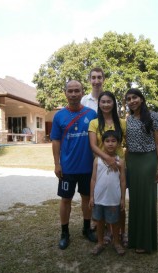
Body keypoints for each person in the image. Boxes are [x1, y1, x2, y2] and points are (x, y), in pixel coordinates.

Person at [50, 80, 97, 250]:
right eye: (70, 91)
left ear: (82, 92)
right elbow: (55, 141)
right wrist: (57, 164)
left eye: (77, 91)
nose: (74, 94)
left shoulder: (92, 114)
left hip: (87, 167)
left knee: (87, 199)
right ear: (65, 93)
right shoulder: (59, 116)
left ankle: (86, 229)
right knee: (66, 200)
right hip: (67, 168)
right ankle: (64, 233)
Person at [125, 88, 158, 254]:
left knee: (146, 201)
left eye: (135, 97)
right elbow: (127, 144)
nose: (132, 101)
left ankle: (146, 242)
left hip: (148, 160)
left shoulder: (153, 116)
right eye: (128, 99)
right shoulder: (128, 119)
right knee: (135, 200)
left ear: (141, 99)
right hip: (132, 161)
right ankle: (134, 239)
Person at [88, 91, 128, 247]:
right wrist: (107, 158)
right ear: (99, 104)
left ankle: (121, 233)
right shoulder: (94, 123)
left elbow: (128, 145)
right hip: (102, 163)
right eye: (102, 101)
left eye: (109, 101)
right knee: (103, 200)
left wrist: (122, 161)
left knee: (119, 201)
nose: (105, 104)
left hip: (119, 165)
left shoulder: (122, 123)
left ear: (114, 103)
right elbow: (92, 145)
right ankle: (107, 233)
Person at [89, 130, 126, 255]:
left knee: (115, 222)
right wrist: (91, 197)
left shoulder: (120, 162)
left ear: (118, 143)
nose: (110, 144)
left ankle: (116, 242)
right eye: (107, 141)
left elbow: (122, 182)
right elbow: (93, 179)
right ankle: (100, 243)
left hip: (113, 199)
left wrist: (122, 199)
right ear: (103, 143)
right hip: (99, 198)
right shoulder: (97, 161)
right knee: (99, 222)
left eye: (113, 141)